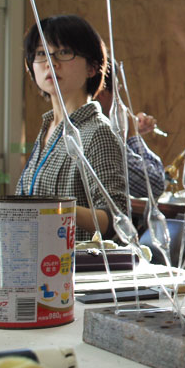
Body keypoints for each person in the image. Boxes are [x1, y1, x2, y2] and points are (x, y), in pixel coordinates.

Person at [17, 15, 128, 243]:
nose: (51, 63)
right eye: (41, 53)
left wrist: (54, 207)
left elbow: (115, 220)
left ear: (92, 67)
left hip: (75, 262)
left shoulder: (97, 132)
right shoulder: (48, 127)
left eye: (64, 52)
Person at [94, 66, 166, 199]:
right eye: (118, 91)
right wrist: (132, 136)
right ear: (102, 92)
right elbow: (156, 184)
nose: (120, 102)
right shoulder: (102, 137)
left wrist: (127, 133)